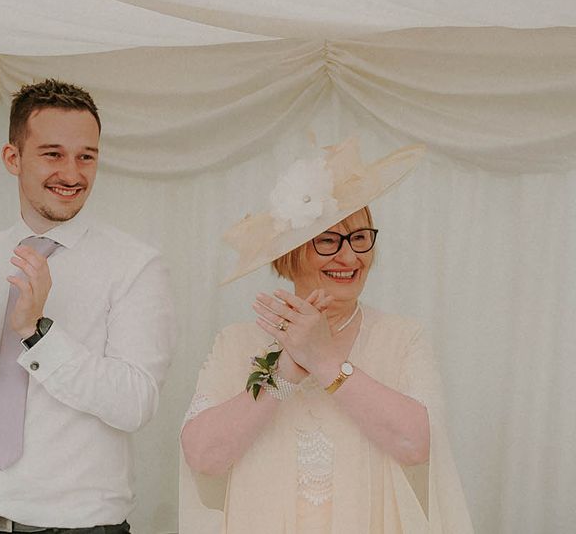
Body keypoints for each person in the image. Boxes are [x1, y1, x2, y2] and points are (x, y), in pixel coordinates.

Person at [0, 79, 175, 534]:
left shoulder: (135, 265)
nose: (72, 173)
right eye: (53, 153)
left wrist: (37, 334)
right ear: (14, 158)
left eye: (86, 156)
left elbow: (135, 403)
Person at [180, 137, 473, 533]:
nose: (351, 257)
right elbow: (203, 456)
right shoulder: (236, 343)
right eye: (328, 241)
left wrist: (325, 360)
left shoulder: (402, 338)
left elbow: (417, 446)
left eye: (360, 237)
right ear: (290, 254)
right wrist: (284, 374)